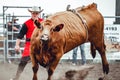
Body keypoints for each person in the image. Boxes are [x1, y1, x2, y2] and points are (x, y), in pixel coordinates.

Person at [10, 6, 43, 80]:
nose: (35, 14)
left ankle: (50, 76)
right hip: (30, 45)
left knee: (47, 61)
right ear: (31, 13)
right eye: (33, 13)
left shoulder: (43, 22)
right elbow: (20, 35)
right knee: (23, 62)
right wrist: (17, 45)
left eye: (36, 13)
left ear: (39, 14)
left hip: (41, 45)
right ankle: (16, 77)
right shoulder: (26, 23)